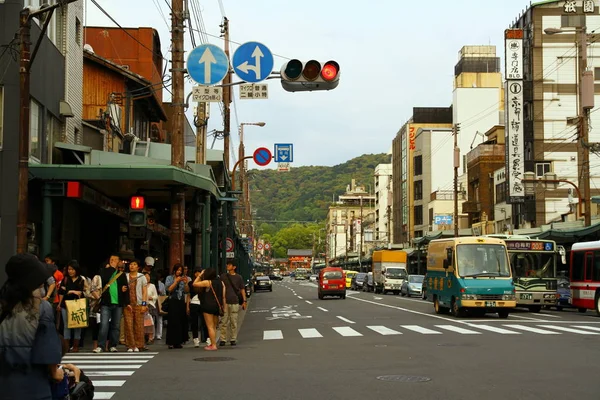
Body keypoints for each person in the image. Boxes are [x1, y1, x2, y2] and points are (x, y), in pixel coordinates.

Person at [0, 253, 64, 399]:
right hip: (32, 386)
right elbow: (47, 348)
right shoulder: (41, 307)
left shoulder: (3, 304)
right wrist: (55, 372)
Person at [93, 254, 129, 353]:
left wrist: (126, 300)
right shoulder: (104, 271)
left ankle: (113, 345)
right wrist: (112, 268)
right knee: (104, 325)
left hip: (118, 303)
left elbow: (126, 288)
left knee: (116, 326)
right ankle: (101, 345)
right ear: (112, 260)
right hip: (106, 302)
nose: (120, 262)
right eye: (118, 260)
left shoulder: (121, 274)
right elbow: (104, 279)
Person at [193, 268, 226, 351]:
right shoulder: (221, 283)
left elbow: (195, 284)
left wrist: (200, 275)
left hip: (207, 306)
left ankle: (213, 345)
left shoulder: (208, 282)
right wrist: (223, 308)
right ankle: (212, 343)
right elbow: (223, 296)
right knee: (214, 326)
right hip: (217, 307)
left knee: (210, 327)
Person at [219, 260, 247, 346]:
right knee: (224, 321)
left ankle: (233, 338)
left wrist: (244, 301)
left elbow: (242, 289)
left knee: (233, 321)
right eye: (227, 264)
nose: (227, 266)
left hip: (234, 301)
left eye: (230, 265)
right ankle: (223, 339)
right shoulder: (223, 276)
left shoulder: (239, 277)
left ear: (234, 267)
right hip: (225, 302)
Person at [165, 264, 189, 349]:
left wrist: (186, 283)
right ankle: (171, 342)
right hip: (173, 300)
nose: (179, 272)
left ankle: (179, 342)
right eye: (178, 270)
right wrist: (176, 281)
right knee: (172, 321)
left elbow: (186, 291)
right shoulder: (169, 278)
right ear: (174, 270)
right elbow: (169, 289)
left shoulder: (184, 279)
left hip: (181, 301)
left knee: (180, 321)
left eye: (181, 270)